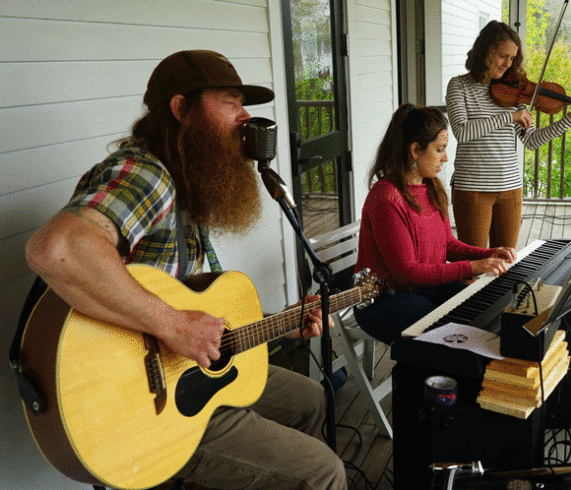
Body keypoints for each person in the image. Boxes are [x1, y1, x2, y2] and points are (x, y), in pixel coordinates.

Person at [24, 50, 346, 490]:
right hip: (141, 408)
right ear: (181, 109)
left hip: (189, 374)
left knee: (311, 399)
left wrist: (284, 324)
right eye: (231, 102)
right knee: (323, 471)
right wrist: (173, 325)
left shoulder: (187, 180)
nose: (245, 116)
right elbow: (59, 249)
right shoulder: (146, 174)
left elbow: (197, 313)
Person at [352, 103, 516, 345]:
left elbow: (447, 244)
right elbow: (406, 272)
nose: (445, 157)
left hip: (425, 286)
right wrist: (474, 267)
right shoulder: (386, 198)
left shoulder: (431, 186)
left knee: (484, 312)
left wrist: (489, 253)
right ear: (415, 150)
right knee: (451, 333)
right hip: (382, 297)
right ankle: (426, 380)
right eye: (439, 149)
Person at [447, 20, 571, 250]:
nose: (508, 64)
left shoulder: (514, 92)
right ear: (485, 51)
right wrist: (511, 117)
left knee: (506, 263)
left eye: (513, 59)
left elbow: (532, 141)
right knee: (474, 266)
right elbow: (462, 131)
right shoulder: (459, 86)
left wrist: (570, 118)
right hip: (473, 188)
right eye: (503, 56)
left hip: (510, 189)